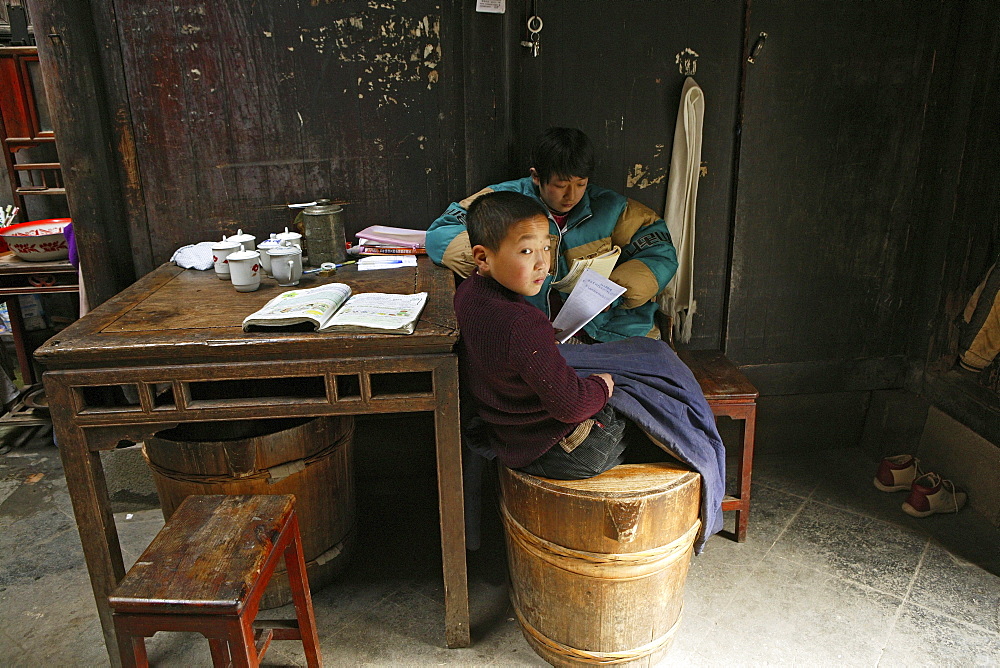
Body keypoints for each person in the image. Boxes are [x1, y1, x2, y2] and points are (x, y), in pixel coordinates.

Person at [428, 127, 679, 342]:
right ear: (536, 176)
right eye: (560, 186)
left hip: (606, 329)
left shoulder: (612, 210)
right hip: (527, 330)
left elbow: (660, 251)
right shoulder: (502, 202)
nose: (571, 196)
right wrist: (503, 261)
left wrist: (613, 291)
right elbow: (442, 233)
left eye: (580, 184)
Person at [455, 190, 631, 479]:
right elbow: (571, 405)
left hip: (511, 438)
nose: (543, 264)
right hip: (560, 451)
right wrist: (601, 386)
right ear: (482, 257)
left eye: (546, 248)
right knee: (633, 408)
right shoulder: (522, 322)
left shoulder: (468, 293)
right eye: (526, 251)